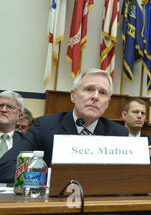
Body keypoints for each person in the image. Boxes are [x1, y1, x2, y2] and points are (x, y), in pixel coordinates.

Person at [0, 69, 129, 183]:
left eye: (102, 93)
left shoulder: (118, 133)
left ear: (107, 103)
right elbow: (6, 167)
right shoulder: (45, 126)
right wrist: (49, 176)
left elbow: (131, 176)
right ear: (73, 95)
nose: (95, 97)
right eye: (89, 89)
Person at [121, 98, 151, 184]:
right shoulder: (115, 140)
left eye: (143, 113)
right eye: (135, 112)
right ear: (124, 115)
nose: (139, 116)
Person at [0, 91, 25, 159]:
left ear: (19, 116)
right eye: (0, 105)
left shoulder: (25, 141)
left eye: (10, 107)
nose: (3, 110)